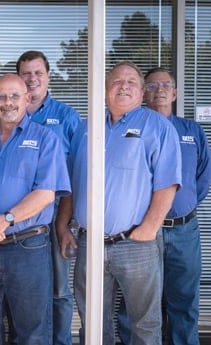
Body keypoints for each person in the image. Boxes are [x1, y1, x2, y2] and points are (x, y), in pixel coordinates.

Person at [58, 61, 181, 345]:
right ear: (103, 91)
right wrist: (63, 225)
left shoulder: (158, 127)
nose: (123, 86)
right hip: (90, 244)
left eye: (131, 82)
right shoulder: (85, 127)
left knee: (144, 324)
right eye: (115, 81)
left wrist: (149, 229)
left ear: (140, 93)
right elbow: (74, 181)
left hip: (135, 243)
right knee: (93, 324)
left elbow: (168, 183)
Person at [0, 74, 70, 344]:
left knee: (32, 329)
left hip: (28, 247)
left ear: (28, 99)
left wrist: (5, 220)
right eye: (1, 96)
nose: (7, 102)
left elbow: (45, 193)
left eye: (14, 96)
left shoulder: (46, 139)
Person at [115, 67, 209, 345]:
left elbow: (202, 178)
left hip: (184, 231)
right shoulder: (133, 129)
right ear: (144, 93)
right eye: (153, 85)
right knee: (136, 301)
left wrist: (183, 206)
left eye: (166, 85)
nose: (160, 90)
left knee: (184, 299)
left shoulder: (192, 131)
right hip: (142, 230)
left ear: (176, 92)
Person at [15, 50, 81, 345]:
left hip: (57, 212)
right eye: (26, 73)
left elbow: (77, 174)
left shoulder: (67, 117)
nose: (32, 79)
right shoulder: (9, 112)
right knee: (22, 288)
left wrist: (65, 224)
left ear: (48, 76)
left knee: (58, 289)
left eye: (38, 73)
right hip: (18, 213)